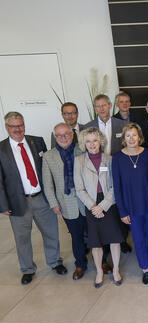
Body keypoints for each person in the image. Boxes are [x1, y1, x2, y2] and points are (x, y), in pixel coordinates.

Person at [0, 111, 67, 285]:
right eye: (14, 126)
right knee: (22, 239)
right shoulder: (1, 149)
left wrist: (54, 196)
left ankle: (55, 262)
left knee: (51, 232)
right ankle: (27, 269)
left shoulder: (37, 141)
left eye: (20, 125)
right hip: (17, 202)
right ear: (7, 127)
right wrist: (2, 205)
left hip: (42, 198)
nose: (18, 129)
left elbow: (49, 169)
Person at [74, 127, 123, 288]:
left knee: (114, 240)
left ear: (100, 141)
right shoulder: (79, 161)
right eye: (88, 141)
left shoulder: (109, 159)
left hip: (109, 203)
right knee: (96, 242)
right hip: (91, 204)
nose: (92, 144)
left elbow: (115, 186)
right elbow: (79, 188)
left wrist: (103, 206)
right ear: (84, 144)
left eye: (95, 140)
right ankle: (99, 272)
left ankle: (115, 270)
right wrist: (93, 206)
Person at [112, 123, 148, 285]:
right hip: (131, 206)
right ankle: (145, 270)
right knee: (138, 239)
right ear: (124, 139)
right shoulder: (117, 158)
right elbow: (117, 187)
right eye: (128, 135)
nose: (132, 138)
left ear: (140, 137)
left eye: (134, 135)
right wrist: (122, 211)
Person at [43, 123, 88, 280]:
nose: (63, 137)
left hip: (88, 202)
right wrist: (53, 203)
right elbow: (47, 184)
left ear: (73, 134)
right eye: (59, 135)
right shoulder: (49, 156)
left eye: (67, 134)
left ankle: (102, 261)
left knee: (95, 234)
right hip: (67, 203)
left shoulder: (83, 149)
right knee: (76, 238)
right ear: (55, 137)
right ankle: (81, 264)